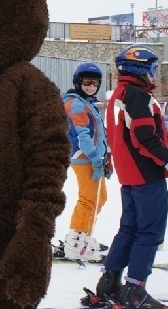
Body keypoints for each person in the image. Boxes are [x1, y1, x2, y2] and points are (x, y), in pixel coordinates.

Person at [90, 44, 168, 309]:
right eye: (152, 68)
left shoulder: (119, 94)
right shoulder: (137, 96)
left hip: (130, 176)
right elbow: (144, 137)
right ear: (140, 69)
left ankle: (110, 282)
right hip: (146, 174)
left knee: (129, 229)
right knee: (149, 232)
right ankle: (135, 290)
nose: (154, 73)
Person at [61, 62, 110, 261]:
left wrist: (105, 156)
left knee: (100, 197)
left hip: (92, 158)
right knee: (89, 199)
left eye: (95, 82)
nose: (91, 86)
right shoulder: (77, 103)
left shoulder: (85, 101)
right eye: (86, 82)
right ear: (77, 82)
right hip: (85, 158)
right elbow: (83, 135)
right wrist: (95, 157)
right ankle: (76, 242)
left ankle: (84, 236)